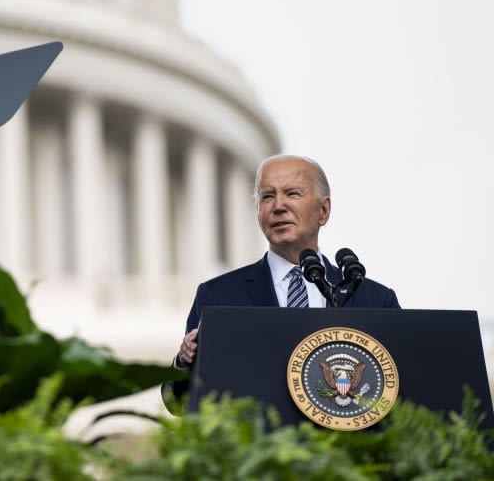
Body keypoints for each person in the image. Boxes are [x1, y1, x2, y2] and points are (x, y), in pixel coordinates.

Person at [163, 154, 400, 410]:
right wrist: (184, 362)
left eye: (292, 193)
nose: (278, 206)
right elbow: (177, 404)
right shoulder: (218, 296)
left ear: (323, 210)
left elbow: (402, 390)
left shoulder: (374, 300)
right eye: (267, 196)